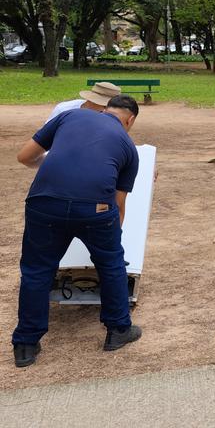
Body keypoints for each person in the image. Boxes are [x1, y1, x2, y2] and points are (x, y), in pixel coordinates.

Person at [13, 95, 142, 368]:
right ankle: (118, 330)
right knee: (111, 265)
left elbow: (24, 156)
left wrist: (52, 168)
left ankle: (25, 344)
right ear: (129, 120)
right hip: (95, 209)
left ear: (105, 109)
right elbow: (119, 204)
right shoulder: (129, 148)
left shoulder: (69, 116)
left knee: (37, 270)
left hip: (44, 202)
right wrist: (110, 238)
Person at [46, 81, 122, 122]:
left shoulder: (112, 117)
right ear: (91, 100)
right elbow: (47, 134)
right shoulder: (64, 109)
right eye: (105, 106)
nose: (106, 110)